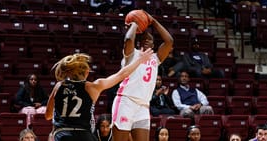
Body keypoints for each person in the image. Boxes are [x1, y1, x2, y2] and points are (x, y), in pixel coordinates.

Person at [45, 49, 154, 141]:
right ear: (87, 72)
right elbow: (122, 74)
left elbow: (48, 115)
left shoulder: (59, 86)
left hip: (62, 134)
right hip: (84, 135)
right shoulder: (93, 87)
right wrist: (140, 60)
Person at [112, 11, 173, 141]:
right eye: (143, 39)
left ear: (153, 45)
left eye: (149, 39)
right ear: (138, 42)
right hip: (126, 102)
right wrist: (135, 24)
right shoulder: (131, 54)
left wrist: (153, 21)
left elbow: (169, 41)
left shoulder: (156, 58)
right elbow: (128, 39)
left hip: (143, 106)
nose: (146, 41)